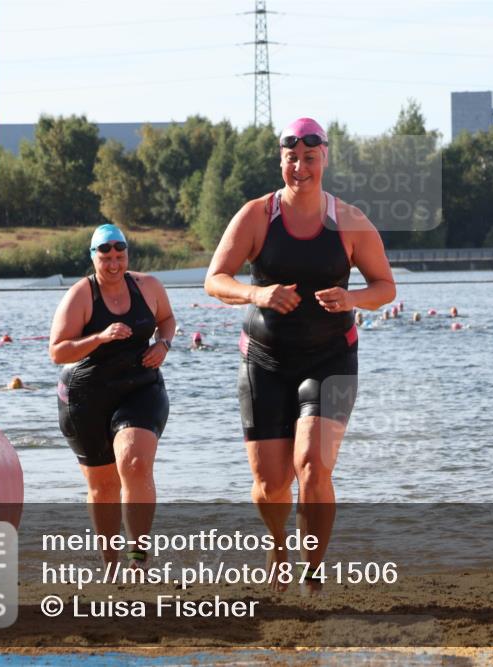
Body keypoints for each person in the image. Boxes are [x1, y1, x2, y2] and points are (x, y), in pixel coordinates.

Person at [204, 117, 395, 594]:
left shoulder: (349, 221)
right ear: (281, 160)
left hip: (330, 359)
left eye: (310, 158)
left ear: (324, 158)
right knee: (271, 485)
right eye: (292, 158)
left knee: (313, 466)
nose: (300, 168)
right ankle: (278, 545)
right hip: (264, 362)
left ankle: (312, 574)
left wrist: (352, 299)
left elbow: (385, 287)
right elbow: (215, 279)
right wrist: (258, 294)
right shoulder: (256, 216)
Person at [49, 224, 175, 567]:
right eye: (106, 258)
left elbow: (167, 319)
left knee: (134, 462)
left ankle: (138, 558)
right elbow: (57, 351)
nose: (114, 264)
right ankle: (111, 564)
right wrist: (100, 337)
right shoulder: (81, 295)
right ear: (94, 258)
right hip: (86, 396)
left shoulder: (148, 286)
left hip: (140, 387)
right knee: (103, 488)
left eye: (120, 256)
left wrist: (163, 344)